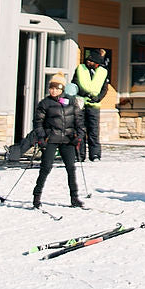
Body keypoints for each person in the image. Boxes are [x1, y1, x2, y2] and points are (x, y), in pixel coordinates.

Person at [32, 73, 85, 210]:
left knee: (71, 169)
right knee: (45, 168)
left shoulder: (72, 102)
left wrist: (79, 136)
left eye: (56, 88)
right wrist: (41, 137)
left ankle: (74, 197)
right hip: (51, 139)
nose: (53, 91)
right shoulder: (45, 103)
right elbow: (38, 122)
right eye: (51, 88)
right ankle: (36, 197)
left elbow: (79, 121)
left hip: (68, 139)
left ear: (62, 89)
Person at [73, 49, 110, 162]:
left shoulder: (102, 72)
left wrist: (98, 98)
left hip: (94, 106)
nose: (89, 62)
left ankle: (95, 155)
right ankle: (80, 155)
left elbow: (104, 88)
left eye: (92, 61)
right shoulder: (81, 70)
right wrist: (83, 94)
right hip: (81, 104)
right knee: (80, 130)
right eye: (88, 60)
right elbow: (74, 83)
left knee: (93, 131)